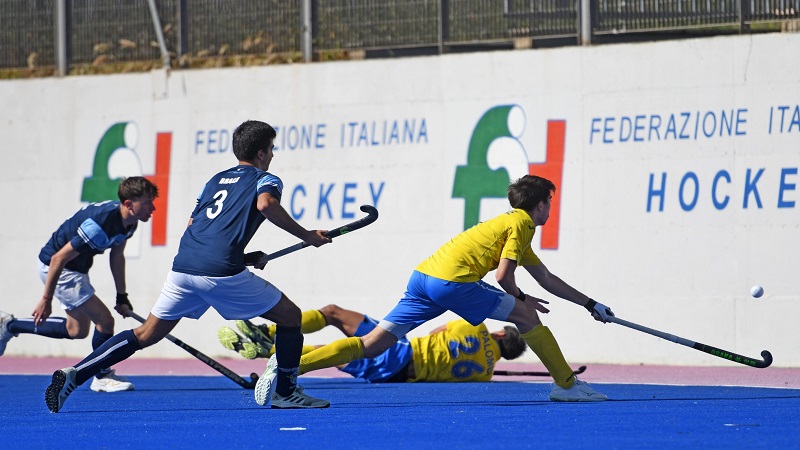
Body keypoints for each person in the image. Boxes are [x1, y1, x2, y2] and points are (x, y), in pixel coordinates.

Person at [44, 120, 332, 413]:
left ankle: (75, 374)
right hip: (219, 272)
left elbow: (197, 225)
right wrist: (307, 235)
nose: (272, 155)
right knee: (290, 317)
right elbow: (266, 205)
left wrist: (242, 256)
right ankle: (286, 392)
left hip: (184, 268)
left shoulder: (214, 181)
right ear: (260, 153)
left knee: (146, 334)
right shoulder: (265, 179)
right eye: (271, 149)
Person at [256, 175, 614, 404]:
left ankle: (287, 366)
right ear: (540, 203)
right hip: (452, 283)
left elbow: (546, 278)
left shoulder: (510, 225)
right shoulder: (522, 223)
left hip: (423, 277)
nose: (550, 208)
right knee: (526, 315)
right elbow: (505, 277)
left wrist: (590, 303)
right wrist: (520, 299)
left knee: (371, 346)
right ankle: (566, 385)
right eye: (550, 202)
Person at [0, 176, 159, 393]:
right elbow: (58, 259)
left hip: (76, 269)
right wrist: (46, 300)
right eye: (147, 202)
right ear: (129, 204)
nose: (153, 207)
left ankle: (10, 325)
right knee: (105, 321)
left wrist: (121, 296)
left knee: (76, 330)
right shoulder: (99, 224)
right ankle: (101, 376)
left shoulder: (129, 223)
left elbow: (117, 256)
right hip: (59, 268)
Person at [217, 304, 528, 382]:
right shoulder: (484, 374)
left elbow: (436, 334)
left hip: (399, 351)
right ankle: (265, 350)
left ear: (501, 334)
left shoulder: (477, 326)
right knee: (327, 355)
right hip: (393, 374)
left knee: (333, 313)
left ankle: (268, 334)